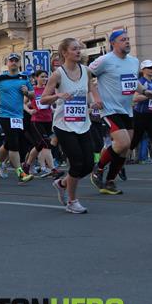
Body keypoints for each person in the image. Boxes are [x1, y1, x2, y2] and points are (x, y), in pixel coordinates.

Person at [89, 29, 152, 194]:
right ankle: (98, 169)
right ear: (113, 43)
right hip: (109, 109)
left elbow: (133, 81)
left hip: (127, 110)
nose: (127, 42)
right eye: (123, 39)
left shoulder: (133, 61)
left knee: (125, 149)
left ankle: (110, 181)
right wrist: (96, 97)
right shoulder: (104, 60)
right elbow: (86, 76)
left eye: (128, 39)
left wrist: (145, 91)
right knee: (123, 143)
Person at [39, 38, 103, 213]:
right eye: (74, 49)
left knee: (88, 164)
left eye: (79, 49)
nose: (78, 52)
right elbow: (43, 99)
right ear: (64, 53)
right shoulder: (58, 74)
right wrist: (58, 96)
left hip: (83, 123)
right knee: (76, 162)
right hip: (63, 125)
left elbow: (92, 89)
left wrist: (97, 101)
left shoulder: (86, 71)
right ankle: (72, 201)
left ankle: (62, 184)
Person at [0, 53, 35, 184]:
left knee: (9, 143)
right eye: (11, 60)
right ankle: (20, 173)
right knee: (14, 145)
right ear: (7, 63)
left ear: (19, 63)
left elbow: (32, 95)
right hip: (4, 115)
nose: (14, 62)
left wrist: (27, 92)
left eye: (16, 60)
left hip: (18, 116)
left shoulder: (24, 78)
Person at [23, 70, 63, 179]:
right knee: (46, 144)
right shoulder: (33, 91)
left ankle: (27, 165)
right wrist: (29, 111)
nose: (45, 79)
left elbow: (54, 101)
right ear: (36, 78)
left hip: (48, 120)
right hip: (37, 121)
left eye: (46, 77)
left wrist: (53, 108)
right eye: (42, 77)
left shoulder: (49, 90)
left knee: (39, 146)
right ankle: (53, 169)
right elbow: (23, 103)